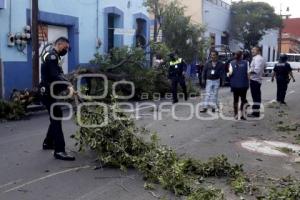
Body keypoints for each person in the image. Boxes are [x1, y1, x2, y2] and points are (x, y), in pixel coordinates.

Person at [39, 37, 76, 161]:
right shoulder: (52, 57)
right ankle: (59, 151)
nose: (66, 50)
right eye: (65, 48)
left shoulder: (54, 56)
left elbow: (59, 75)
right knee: (56, 116)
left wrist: (69, 85)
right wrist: (68, 86)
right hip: (47, 92)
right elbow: (55, 76)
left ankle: (48, 143)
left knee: (57, 114)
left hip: (50, 92)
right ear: (59, 44)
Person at [228, 51, 249, 120]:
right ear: (242, 56)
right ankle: (243, 115)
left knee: (235, 100)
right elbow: (248, 73)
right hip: (243, 84)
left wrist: (227, 74)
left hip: (235, 85)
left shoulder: (231, 63)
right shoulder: (246, 63)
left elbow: (230, 73)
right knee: (243, 99)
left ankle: (236, 114)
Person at [248, 46, 265, 118]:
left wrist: (248, 74)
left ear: (258, 51)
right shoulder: (258, 58)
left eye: (254, 50)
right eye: (252, 50)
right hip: (256, 80)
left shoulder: (258, 59)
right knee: (256, 97)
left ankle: (256, 113)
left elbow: (256, 70)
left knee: (256, 97)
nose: (252, 51)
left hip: (255, 80)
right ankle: (256, 112)